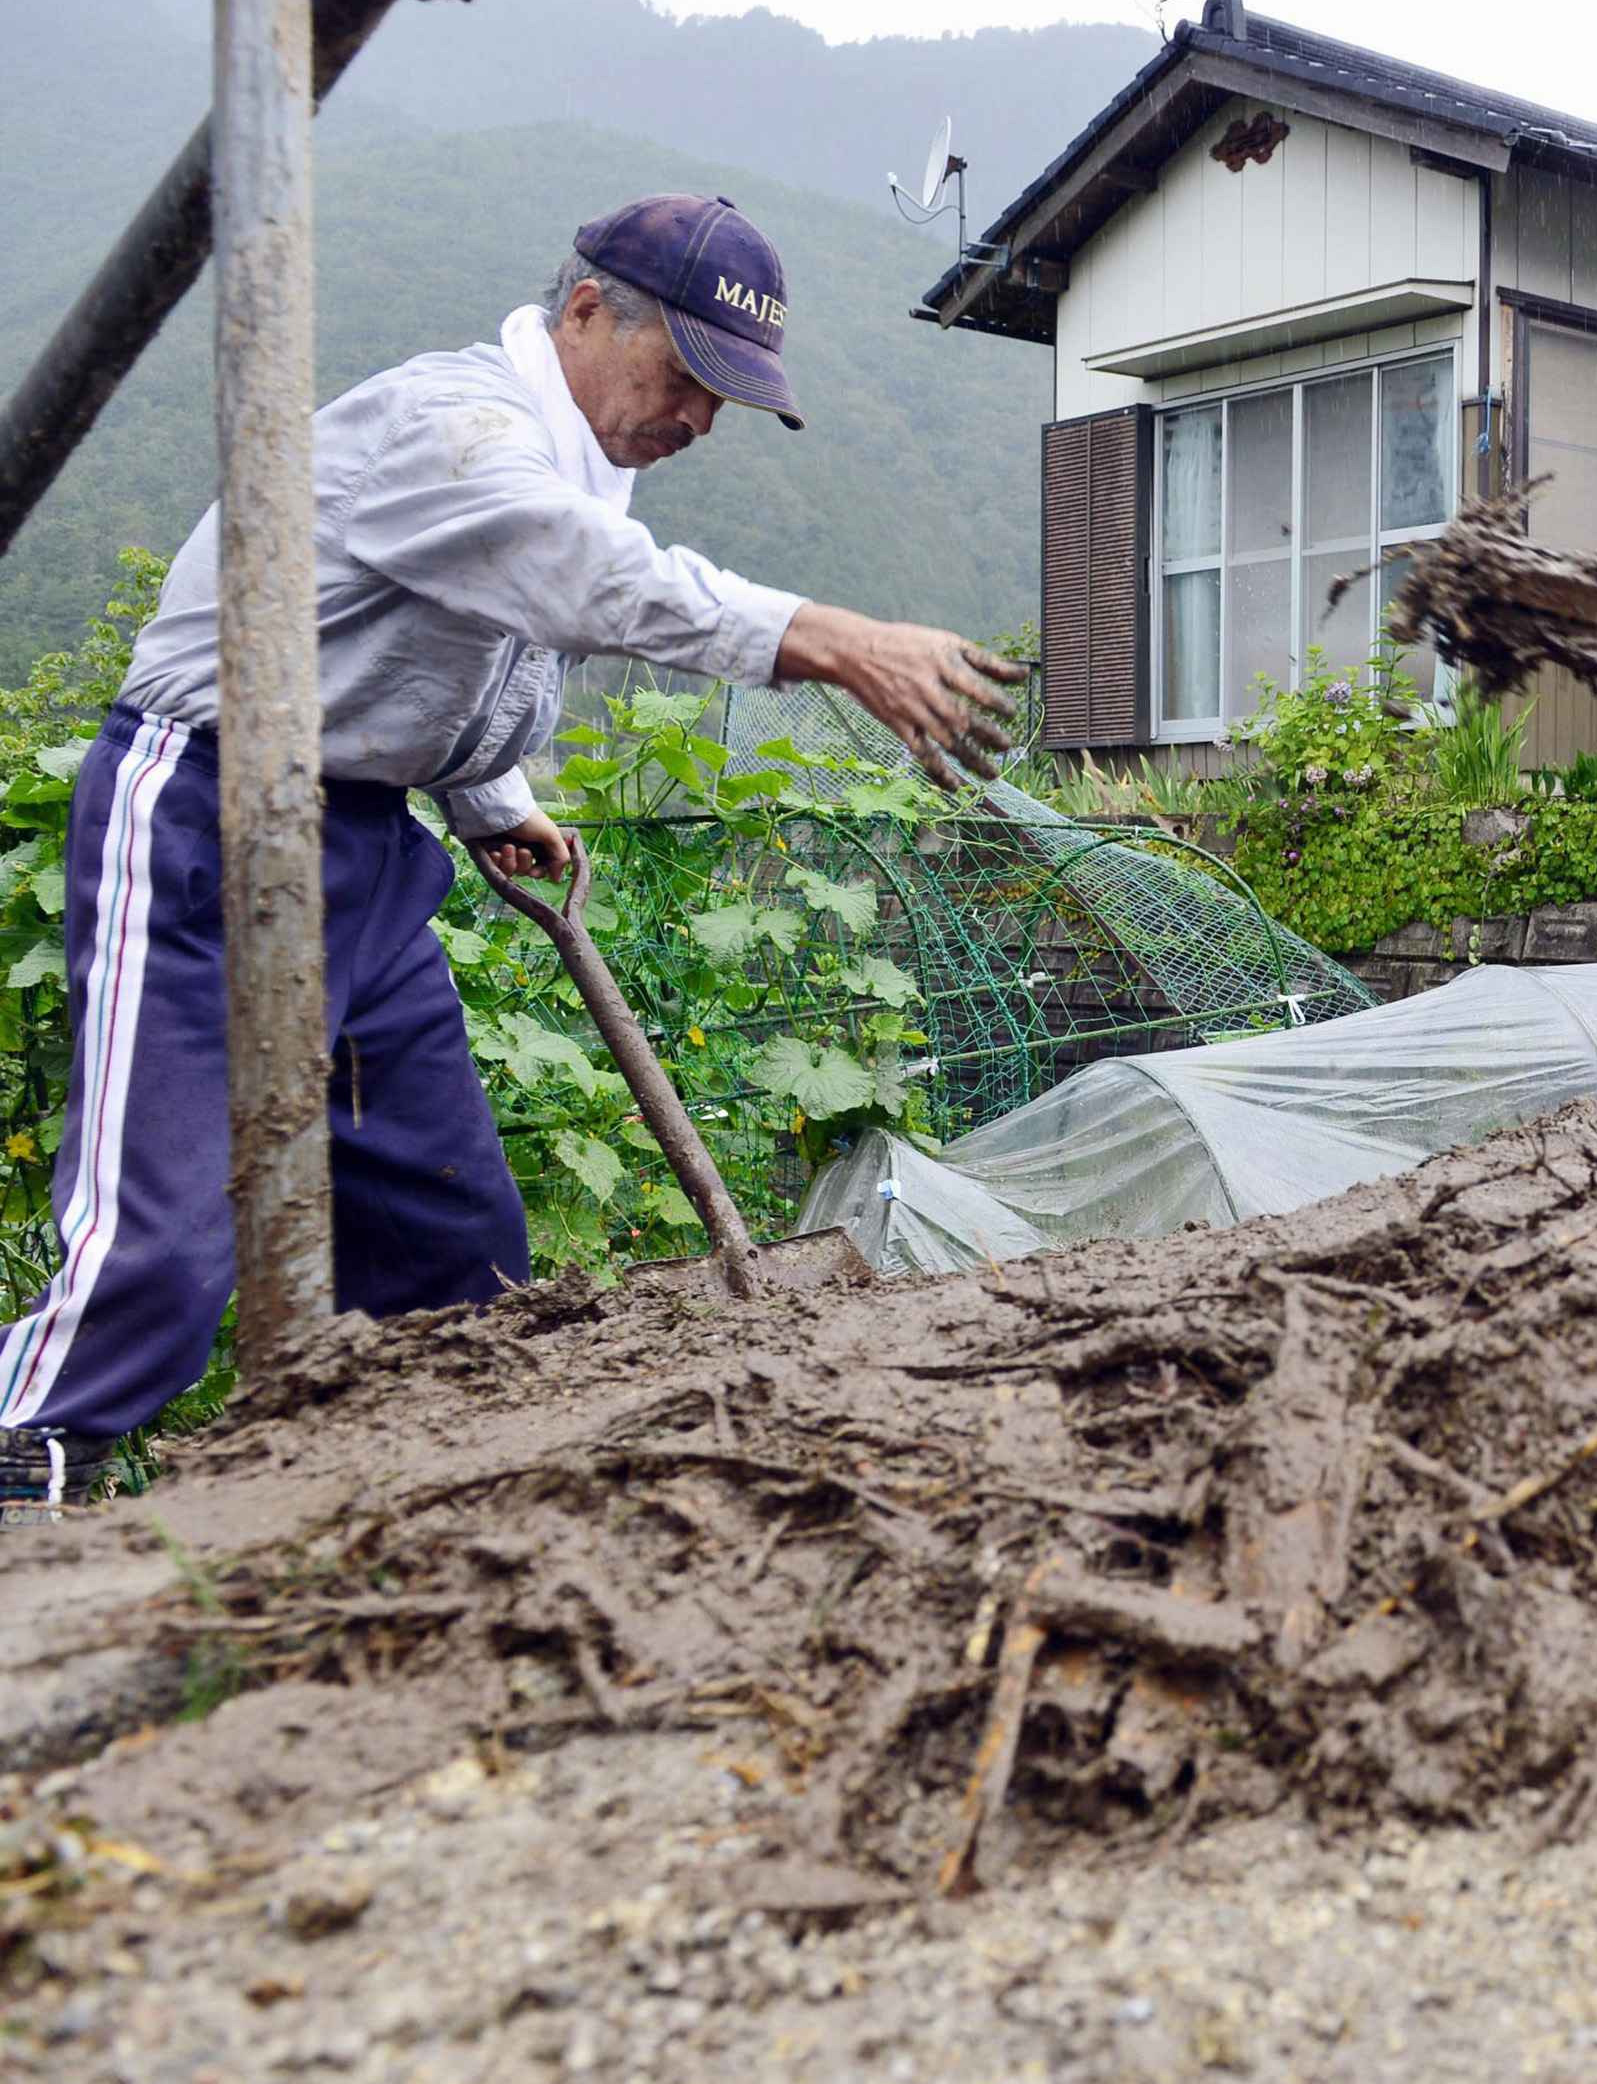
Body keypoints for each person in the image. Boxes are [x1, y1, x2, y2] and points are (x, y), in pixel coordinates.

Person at [0, 195, 1023, 1507]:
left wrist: (493, 801)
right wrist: (830, 638)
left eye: (727, 396)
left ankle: (402, 1498)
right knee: (167, 1239)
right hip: (206, 814)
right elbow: (563, 570)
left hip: (364, 843)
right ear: (588, 312)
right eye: (688, 377)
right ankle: (30, 1458)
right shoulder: (459, 428)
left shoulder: (576, 454)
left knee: (453, 1234)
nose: (702, 419)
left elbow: (438, 647)